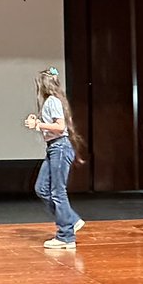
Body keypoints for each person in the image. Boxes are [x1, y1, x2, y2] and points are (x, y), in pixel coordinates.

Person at [25, 67, 85, 249]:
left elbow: (60, 127)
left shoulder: (53, 101)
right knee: (42, 188)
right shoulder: (51, 102)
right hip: (53, 148)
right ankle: (71, 220)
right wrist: (39, 122)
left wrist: (38, 123)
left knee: (58, 191)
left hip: (59, 146)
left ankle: (66, 236)